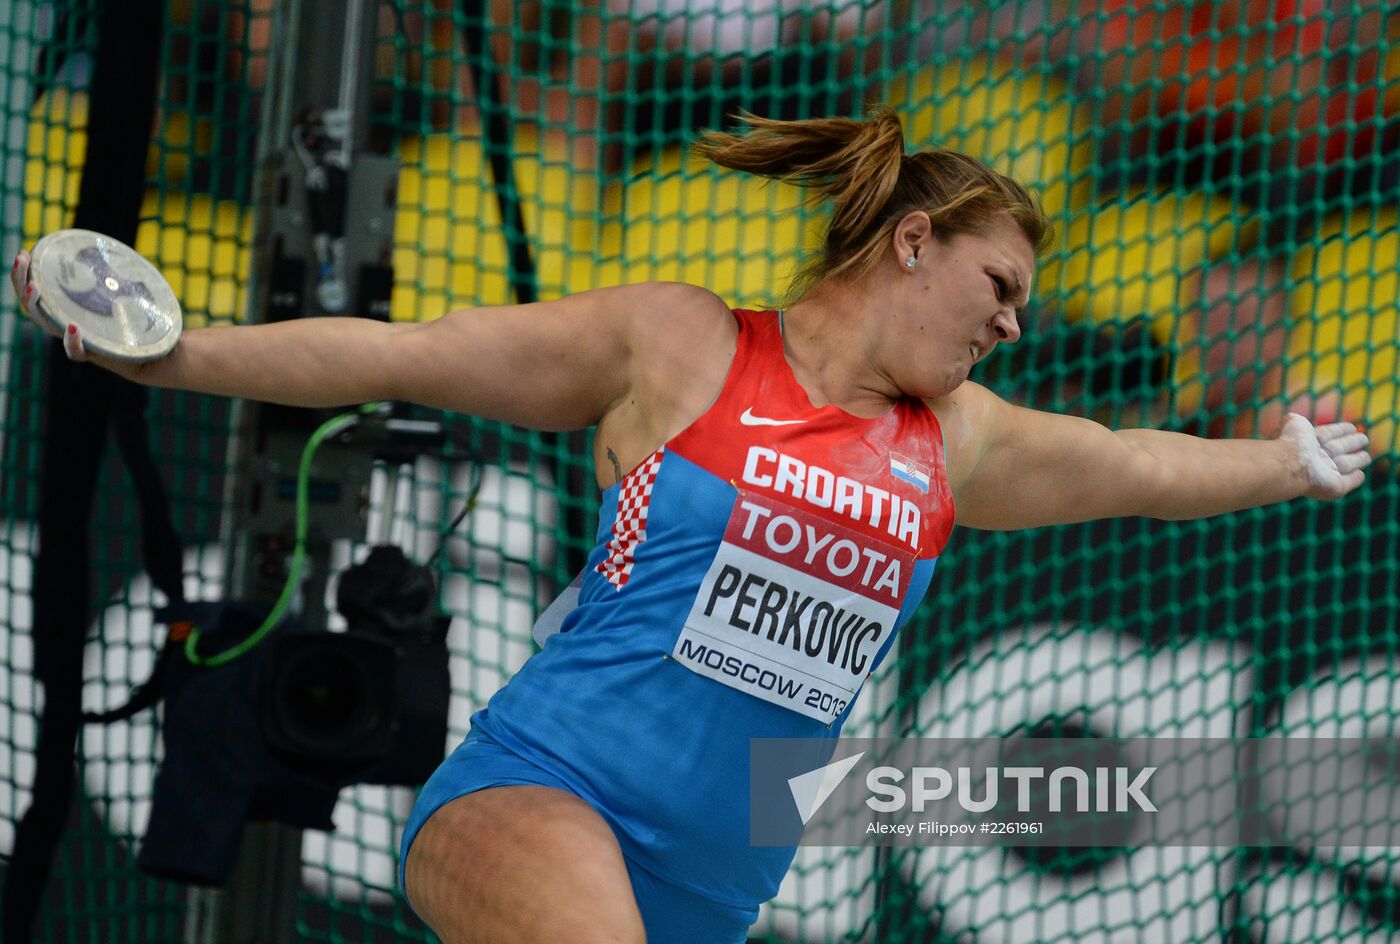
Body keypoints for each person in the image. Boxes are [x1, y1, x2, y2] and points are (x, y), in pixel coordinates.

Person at [12, 109, 1371, 943]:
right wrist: (173, 357)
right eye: (999, 282)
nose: (1015, 321)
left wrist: (1285, 464)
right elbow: (404, 350)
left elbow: (1137, 463)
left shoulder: (960, 442)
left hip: (714, 896)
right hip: (540, 797)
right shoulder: (685, 344)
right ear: (911, 242)